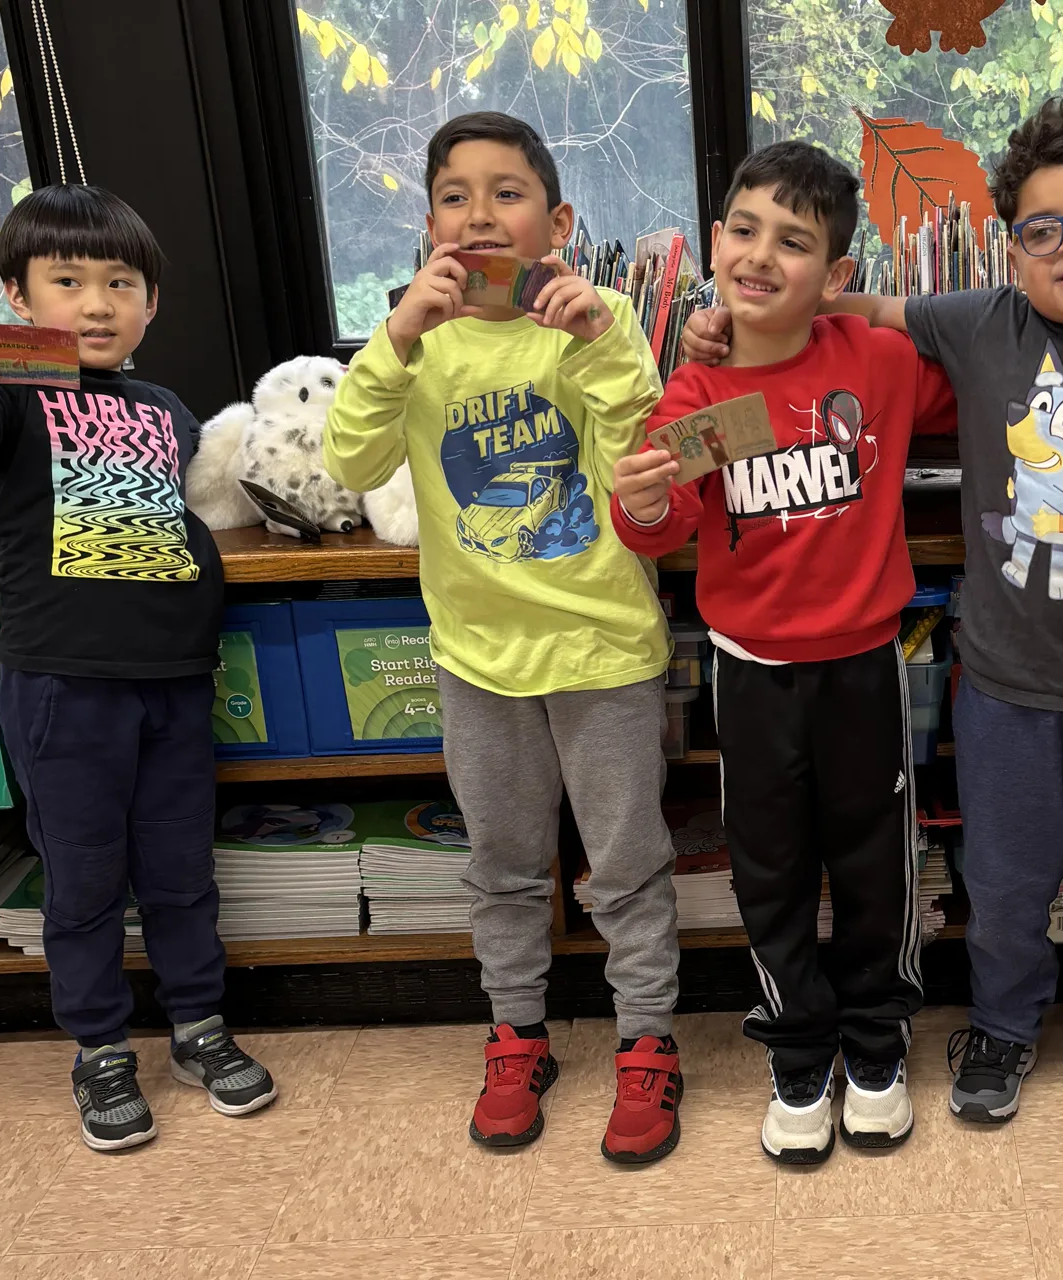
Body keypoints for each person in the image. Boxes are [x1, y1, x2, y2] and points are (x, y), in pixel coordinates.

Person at [690, 94, 1063, 1127]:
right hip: (1004, 688)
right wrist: (729, 326)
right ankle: (1002, 1023)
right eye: (1042, 229)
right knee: (1001, 883)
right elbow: (852, 315)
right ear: (1011, 254)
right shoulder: (978, 324)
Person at [323, 112, 685, 1161]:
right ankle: (517, 1033)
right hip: (477, 657)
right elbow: (351, 462)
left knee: (626, 865)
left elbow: (642, 466)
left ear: (558, 220)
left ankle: (648, 1040)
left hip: (603, 648)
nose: (480, 213)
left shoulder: (598, 316)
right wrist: (395, 339)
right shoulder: (414, 332)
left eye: (508, 192)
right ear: (428, 221)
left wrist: (602, 343)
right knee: (505, 864)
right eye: (455, 194)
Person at [612, 141, 956, 1164]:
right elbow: (651, 522)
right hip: (749, 670)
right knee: (769, 867)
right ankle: (797, 1043)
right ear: (716, 242)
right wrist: (637, 501)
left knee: (873, 860)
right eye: (747, 231)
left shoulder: (881, 364)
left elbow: (989, 366)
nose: (762, 257)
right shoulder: (691, 395)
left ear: (836, 274)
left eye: (795, 243)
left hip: (864, 665)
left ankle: (876, 1037)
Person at [0, 184, 275, 1151]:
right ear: (19, 295)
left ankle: (199, 1025)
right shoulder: (10, 397)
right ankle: (98, 1048)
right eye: (68, 280)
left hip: (172, 679)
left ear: (151, 302)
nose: (95, 303)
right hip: (61, 685)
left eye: (119, 282)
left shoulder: (164, 407)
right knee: (82, 879)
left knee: (179, 870)